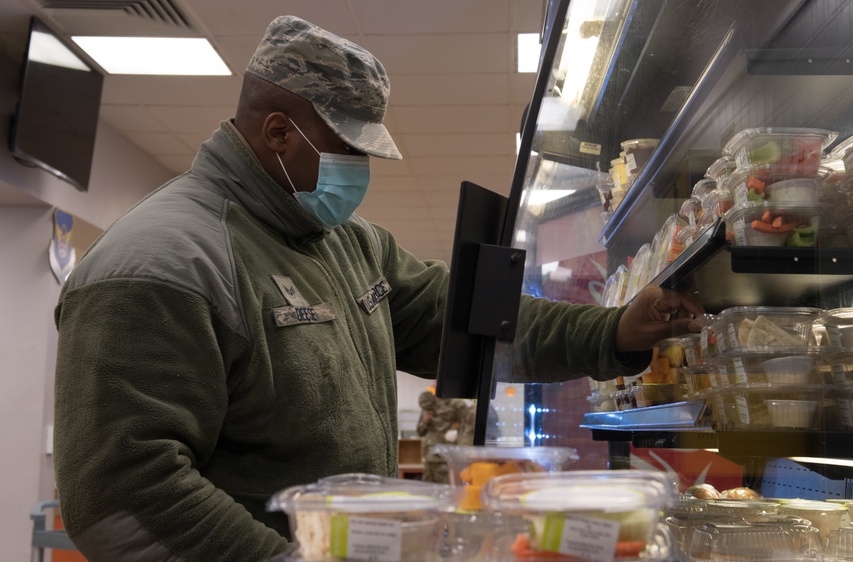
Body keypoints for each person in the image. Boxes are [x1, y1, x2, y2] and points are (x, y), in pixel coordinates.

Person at [51, 15, 704, 561]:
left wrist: (614, 329)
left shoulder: (348, 242)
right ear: (278, 131)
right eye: (344, 148)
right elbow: (119, 495)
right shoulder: (159, 264)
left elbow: (470, 318)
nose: (357, 171)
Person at [416, 390, 467, 483]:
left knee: (446, 489)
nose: (435, 383)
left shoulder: (457, 404)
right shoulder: (429, 404)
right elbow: (420, 432)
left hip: (445, 458)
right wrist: (425, 421)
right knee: (428, 489)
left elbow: (465, 429)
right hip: (428, 457)